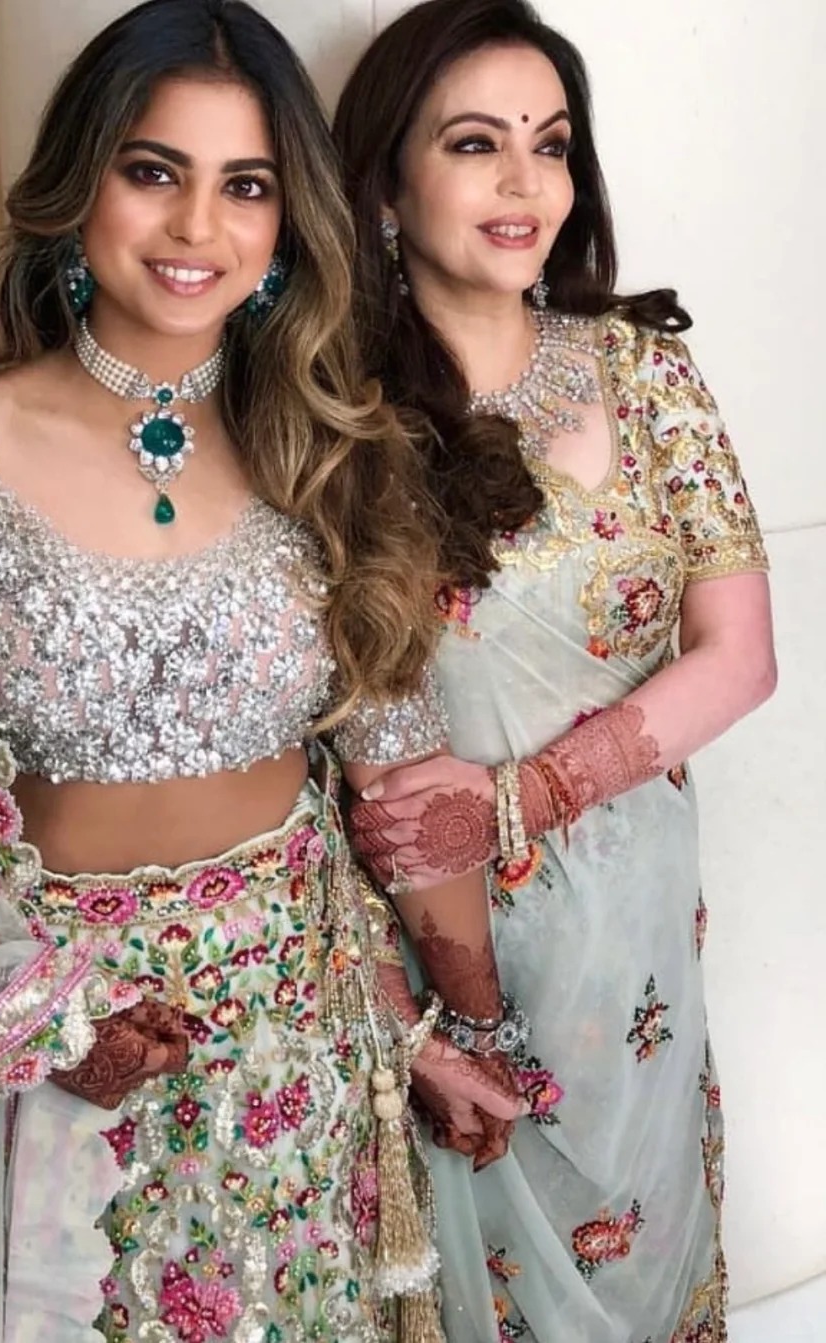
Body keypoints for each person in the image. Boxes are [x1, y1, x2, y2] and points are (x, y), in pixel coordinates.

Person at [0, 3, 521, 1340]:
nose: (196, 227)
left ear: (288, 223)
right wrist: (44, 1020)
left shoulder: (327, 457)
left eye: (247, 186)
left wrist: (436, 1033)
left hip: (291, 1048)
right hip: (50, 1036)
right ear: (78, 185)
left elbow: (392, 780)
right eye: (154, 170)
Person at [334, 2, 777, 1340]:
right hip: (431, 935)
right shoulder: (333, 416)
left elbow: (740, 657)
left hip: (631, 927)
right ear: (386, 184)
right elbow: (346, 740)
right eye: (477, 144)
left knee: (649, 1248)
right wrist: (433, 1012)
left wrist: (523, 799)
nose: (526, 183)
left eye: (551, 144)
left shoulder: (646, 376)